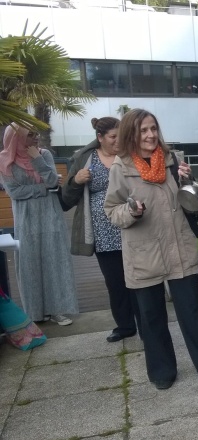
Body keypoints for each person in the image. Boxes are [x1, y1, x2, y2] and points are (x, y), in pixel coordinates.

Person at [105, 109, 198, 390]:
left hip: (178, 246)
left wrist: (188, 180)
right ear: (131, 134)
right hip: (143, 252)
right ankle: (162, 371)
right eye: (143, 131)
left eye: (153, 129)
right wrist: (131, 211)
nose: (150, 135)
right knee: (151, 317)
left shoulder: (172, 160)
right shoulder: (121, 166)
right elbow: (112, 211)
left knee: (193, 312)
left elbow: (192, 201)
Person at [61, 117, 140, 342]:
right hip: (103, 233)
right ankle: (125, 326)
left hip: (131, 226)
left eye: (120, 136)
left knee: (139, 278)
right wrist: (75, 181)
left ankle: (146, 323)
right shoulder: (85, 159)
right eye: (113, 137)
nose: (118, 141)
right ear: (100, 138)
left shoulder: (129, 156)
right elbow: (66, 199)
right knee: (115, 282)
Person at [0, 124, 78, 326]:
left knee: (55, 261)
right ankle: (35, 313)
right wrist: (42, 189)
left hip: (51, 215)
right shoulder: (4, 160)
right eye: (30, 135)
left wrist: (37, 159)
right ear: (16, 138)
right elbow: (15, 193)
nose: (36, 138)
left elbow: (53, 181)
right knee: (29, 265)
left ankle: (57, 310)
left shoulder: (44, 155)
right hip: (26, 219)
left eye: (36, 133)